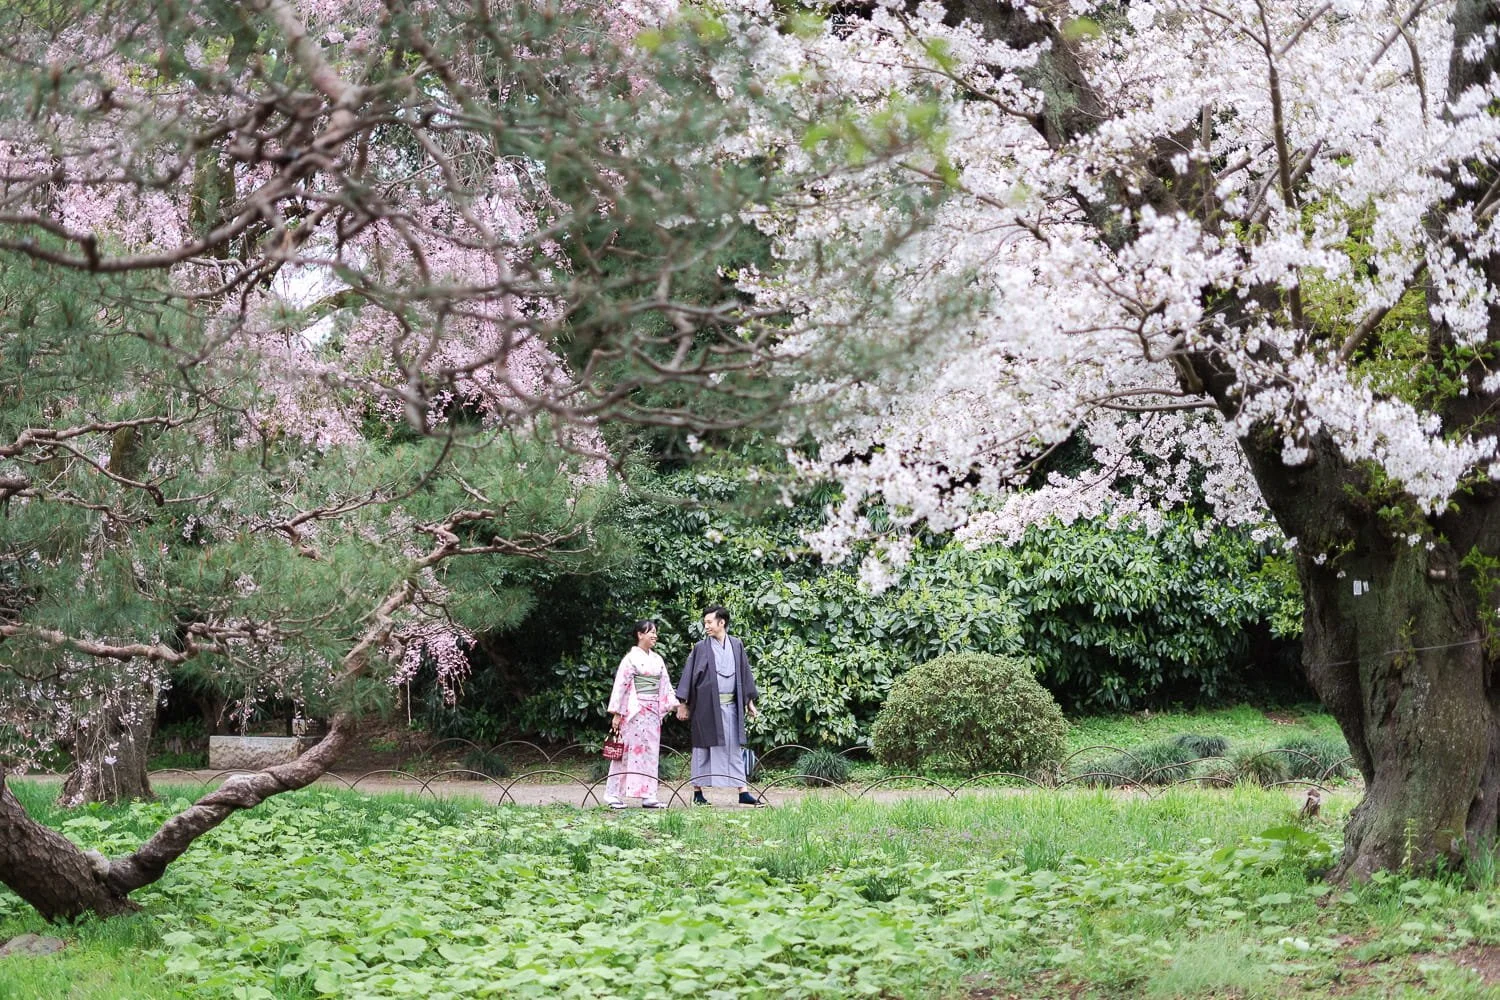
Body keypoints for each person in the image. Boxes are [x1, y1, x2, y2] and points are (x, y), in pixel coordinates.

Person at [674, 605, 762, 806]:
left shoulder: (736, 645)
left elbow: (744, 674)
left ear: (721, 622)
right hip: (705, 708)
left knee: (734, 748)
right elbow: (688, 676)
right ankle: (698, 793)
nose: (706, 626)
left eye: (709, 622)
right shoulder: (700, 648)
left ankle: (743, 792)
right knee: (702, 749)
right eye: (705, 622)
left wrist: (749, 702)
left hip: (731, 707)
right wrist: (683, 704)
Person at [604, 619, 680, 809]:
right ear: (640, 634)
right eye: (651, 632)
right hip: (633, 711)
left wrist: (675, 705)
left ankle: (649, 794)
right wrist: (617, 713)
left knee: (650, 752)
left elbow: (665, 685)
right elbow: (621, 686)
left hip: (652, 711)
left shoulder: (657, 659)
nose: (655, 635)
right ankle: (613, 794)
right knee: (625, 752)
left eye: (655, 632)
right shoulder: (630, 659)